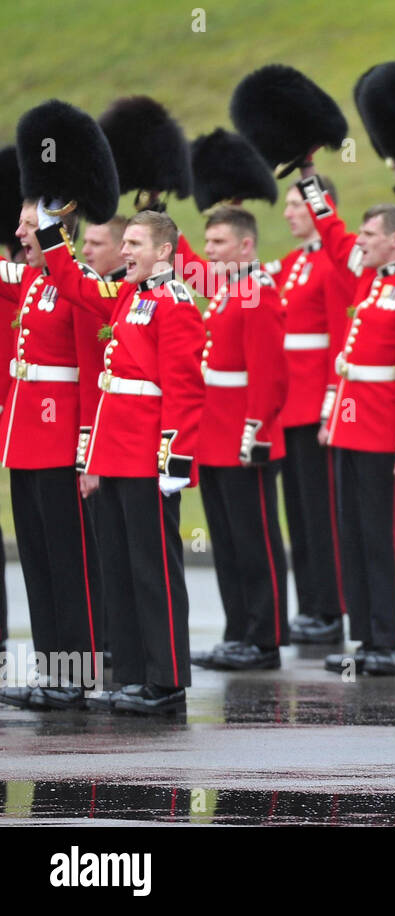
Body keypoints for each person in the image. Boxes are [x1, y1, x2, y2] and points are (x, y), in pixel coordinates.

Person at [38, 206, 206, 715]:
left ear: (163, 253)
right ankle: (133, 673)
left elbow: (184, 389)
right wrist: (49, 229)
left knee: (153, 571)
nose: (125, 251)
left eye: (135, 244)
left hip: (147, 456)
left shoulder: (175, 304)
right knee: (120, 568)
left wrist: (173, 459)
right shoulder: (128, 294)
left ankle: (168, 680)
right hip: (114, 450)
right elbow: (73, 283)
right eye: (124, 243)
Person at [294, 170, 395, 676]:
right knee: (354, 537)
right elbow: (335, 236)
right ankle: (367, 637)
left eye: (370, 236)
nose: (360, 243)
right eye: (361, 237)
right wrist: (310, 180)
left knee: (384, 540)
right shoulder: (368, 278)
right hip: (348, 426)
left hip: (384, 432)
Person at [175, 206, 291, 670]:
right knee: (226, 541)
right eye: (208, 243)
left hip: (246, 437)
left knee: (255, 541)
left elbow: (270, 374)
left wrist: (257, 431)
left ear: (245, 246)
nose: (209, 252)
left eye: (218, 243)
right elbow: (190, 268)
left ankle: (264, 639)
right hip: (217, 436)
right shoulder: (230, 289)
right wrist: (165, 221)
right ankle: (237, 630)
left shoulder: (255, 293)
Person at [0, 201, 104, 709]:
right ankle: (51, 671)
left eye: (27, 225)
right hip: (25, 439)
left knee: (70, 565)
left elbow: (89, 372)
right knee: (38, 563)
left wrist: (86, 446)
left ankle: (77, 674)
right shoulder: (35, 281)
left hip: (61, 439)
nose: (18, 233)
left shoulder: (73, 283)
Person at [267, 178, 349, 645]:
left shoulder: (330, 265)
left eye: (297, 205)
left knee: (321, 512)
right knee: (297, 511)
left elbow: (341, 338)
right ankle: (310, 604)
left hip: (316, 403)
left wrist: (331, 405)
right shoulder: (293, 264)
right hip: (288, 406)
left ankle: (330, 609)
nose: (289, 213)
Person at [81, 216, 127, 282]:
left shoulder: (134, 289)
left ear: (122, 248)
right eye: (85, 242)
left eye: (96, 244)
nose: (85, 251)